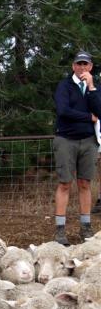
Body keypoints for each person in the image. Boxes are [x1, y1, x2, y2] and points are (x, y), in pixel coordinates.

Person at [54, 50, 101, 245]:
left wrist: (91, 87)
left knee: (85, 184)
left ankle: (85, 227)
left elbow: (99, 110)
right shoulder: (64, 86)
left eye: (86, 64)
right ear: (73, 66)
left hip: (89, 140)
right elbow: (63, 111)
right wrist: (88, 117)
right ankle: (60, 229)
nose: (82, 68)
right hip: (66, 139)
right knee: (65, 183)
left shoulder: (94, 88)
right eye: (79, 64)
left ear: (90, 67)